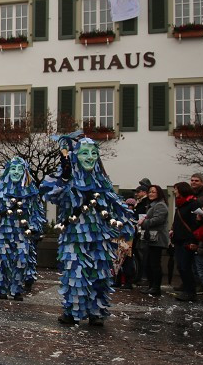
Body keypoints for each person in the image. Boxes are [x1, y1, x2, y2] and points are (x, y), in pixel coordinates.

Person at [41, 135, 135, 326]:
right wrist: (65, 176)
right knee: (75, 273)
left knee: (100, 273)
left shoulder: (102, 182)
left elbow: (115, 204)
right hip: (74, 236)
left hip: (100, 238)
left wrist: (127, 221)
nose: (90, 157)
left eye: (93, 153)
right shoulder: (68, 180)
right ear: (76, 156)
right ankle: (73, 312)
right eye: (85, 153)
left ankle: (96, 312)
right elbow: (52, 194)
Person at [0, 157, 45, 300]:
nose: (16, 172)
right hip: (1, 231)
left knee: (21, 260)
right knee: (1, 259)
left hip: (21, 232)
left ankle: (16, 289)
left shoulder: (31, 192)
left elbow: (36, 212)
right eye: (13, 169)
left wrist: (35, 227)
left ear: (24, 172)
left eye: (19, 169)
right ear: (8, 171)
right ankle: (0, 288)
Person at [170, 181, 202, 302]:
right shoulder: (181, 204)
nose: (174, 191)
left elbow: (196, 223)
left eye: (176, 189)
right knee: (181, 266)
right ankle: (187, 289)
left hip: (187, 239)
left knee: (185, 266)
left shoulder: (193, 204)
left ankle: (190, 291)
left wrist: (193, 240)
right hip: (179, 239)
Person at [139, 185, 169, 296]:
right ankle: (151, 286)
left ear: (159, 193)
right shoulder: (152, 205)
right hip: (151, 238)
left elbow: (158, 220)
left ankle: (156, 287)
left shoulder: (160, 205)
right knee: (149, 263)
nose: (151, 194)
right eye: (150, 192)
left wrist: (144, 222)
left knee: (155, 264)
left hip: (158, 239)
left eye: (154, 192)